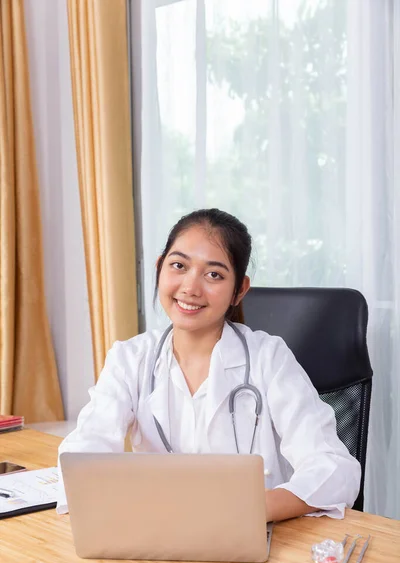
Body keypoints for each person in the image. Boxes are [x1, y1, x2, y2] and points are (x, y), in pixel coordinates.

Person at [57, 208, 360, 521]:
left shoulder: (269, 359)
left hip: (254, 534)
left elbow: (335, 470)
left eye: (214, 274)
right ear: (160, 268)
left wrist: (249, 510)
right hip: (159, 532)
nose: (190, 287)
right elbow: (81, 458)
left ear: (238, 290)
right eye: (179, 266)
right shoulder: (130, 359)